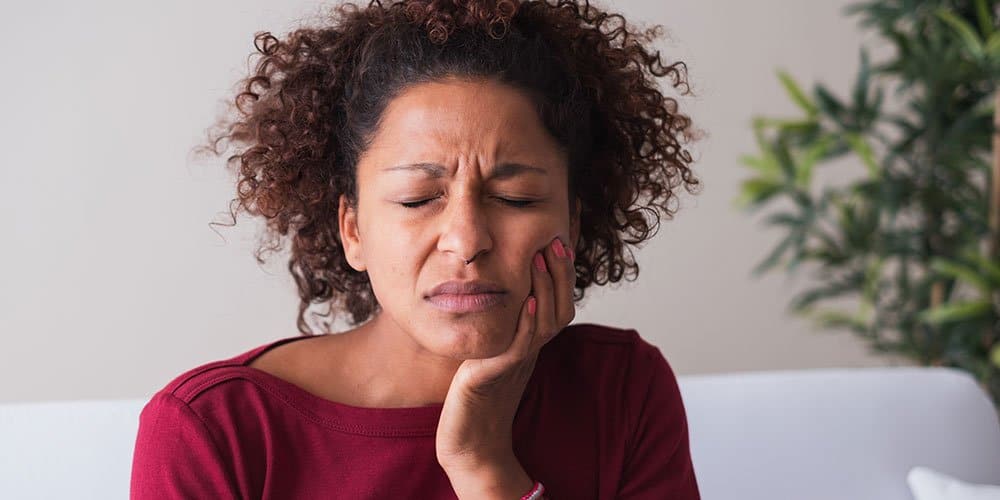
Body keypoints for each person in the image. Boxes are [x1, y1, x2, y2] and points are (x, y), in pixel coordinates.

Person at [130, 0, 703, 498]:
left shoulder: (620, 391)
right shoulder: (213, 431)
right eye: (416, 199)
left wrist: (482, 463)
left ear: (572, 226)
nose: (467, 241)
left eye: (516, 197)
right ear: (353, 230)